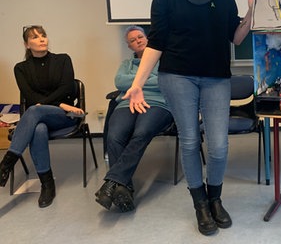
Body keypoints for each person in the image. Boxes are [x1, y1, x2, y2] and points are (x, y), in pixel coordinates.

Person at [122, 0, 255, 236]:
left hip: (216, 77)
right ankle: (200, 204)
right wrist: (138, 83)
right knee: (191, 141)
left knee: (219, 145)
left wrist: (250, 11)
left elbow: (235, 36)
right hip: (177, 76)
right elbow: (155, 44)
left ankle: (215, 198)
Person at [0, 25, 83, 208]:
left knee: (35, 110)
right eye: (35, 37)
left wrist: (57, 105)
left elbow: (67, 87)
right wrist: (57, 102)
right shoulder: (20, 68)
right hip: (39, 118)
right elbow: (29, 96)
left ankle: (5, 165)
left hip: (64, 115)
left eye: (43, 35)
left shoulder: (62, 59)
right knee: (38, 129)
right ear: (26, 44)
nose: (41, 39)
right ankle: (47, 185)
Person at [95, 25, 173, 212]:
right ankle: (123, 188)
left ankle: (112, 183)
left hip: (156, 103)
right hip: (127, 102)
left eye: (140, 37)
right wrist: (146, 78)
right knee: (114, 136)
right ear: (129, 47)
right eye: (132, 40)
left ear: (147, 38)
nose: (138, 41)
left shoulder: (164, 59)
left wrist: (137, 80)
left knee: (142, 132)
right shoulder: (126, 64)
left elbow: (165, 81)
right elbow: (119, 82)